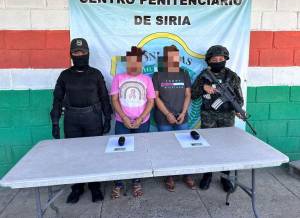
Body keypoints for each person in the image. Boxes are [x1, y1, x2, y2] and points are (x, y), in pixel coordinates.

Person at [50, 38, 112, 203]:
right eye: (76, 52)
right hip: (72, 120)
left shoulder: (96, 74)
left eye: (83, 52)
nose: (80, 55)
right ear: (71, 54)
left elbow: (104, 97)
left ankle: (95, 187)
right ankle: (77, 187)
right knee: (74, 155)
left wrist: (107, 118)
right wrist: (55, 122)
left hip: (93, 118)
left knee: (94, 153)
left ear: (88, 53)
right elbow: (57, 99)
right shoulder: (64, 76)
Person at [191, 45, 244, 192]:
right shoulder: (204, 76)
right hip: (208, 116)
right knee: (207, 147)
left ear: (226, 60)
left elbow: (239, 99)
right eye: (215, 59)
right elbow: (193, 94)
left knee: (226, 148)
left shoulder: (232, 77)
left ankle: (225, 177)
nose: (218, 61)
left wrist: (238, 109)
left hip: (227, 117)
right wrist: (203, 88)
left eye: (221, 59)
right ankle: (207, 175)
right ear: (209, 61)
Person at [110, 46, 155, 199]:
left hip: (142, 122)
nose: (133, 66)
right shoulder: (118, 78)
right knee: (120, 151)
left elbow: (150, 101)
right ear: (126, 63)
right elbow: (114, 99)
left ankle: (137, 181)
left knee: (139, 152)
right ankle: (118, 182)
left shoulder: (147, 80)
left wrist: (141, 118)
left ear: (141, 63)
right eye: (130, 63)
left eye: (136, 63)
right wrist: (124, 117)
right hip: (122, 122)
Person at [152, 45, 195, 191]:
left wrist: (183, 113)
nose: (173, 59)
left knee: (185, 146)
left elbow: (188, 94)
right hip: (164, 119)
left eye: (175, 56)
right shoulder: (158, 75)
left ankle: (186, 174)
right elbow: (156, 97)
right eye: (170, 56)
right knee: (167, 148)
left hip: (182, 117)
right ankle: (169, 175)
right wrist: (168, 114)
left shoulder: (184, 74)